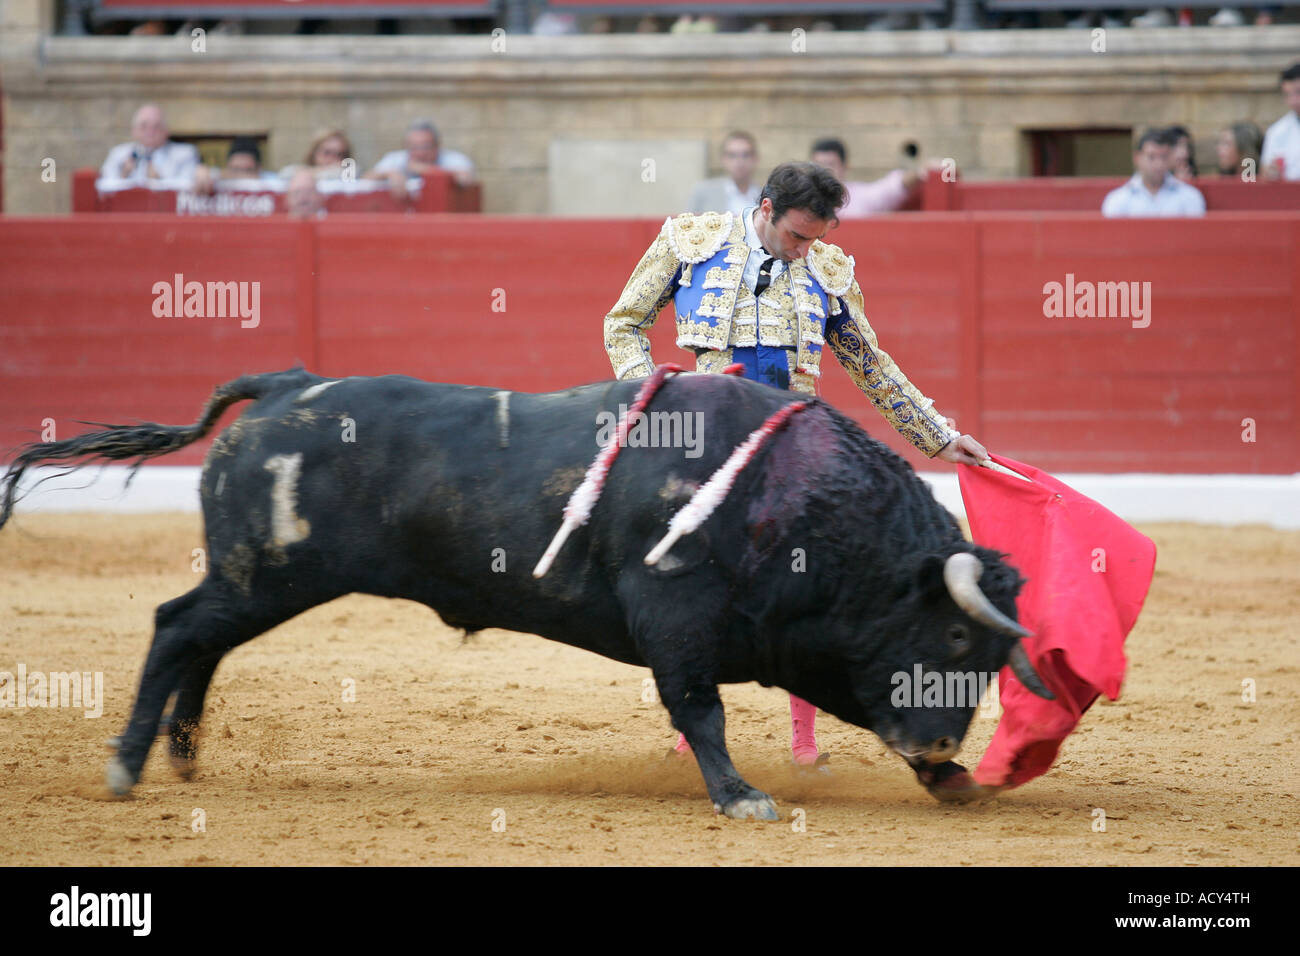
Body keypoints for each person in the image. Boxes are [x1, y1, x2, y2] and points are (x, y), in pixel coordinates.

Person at [603, 161, 989, 767]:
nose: (807, 249)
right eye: (799, 236)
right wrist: (653, 394)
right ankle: (690, 729)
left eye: (818, 238)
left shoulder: (828, 269)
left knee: (803, 582)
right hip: (707, 436)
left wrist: (938, 436)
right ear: (765, 209)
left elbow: (870, 363)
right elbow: (623, 324)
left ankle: (805, 741)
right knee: (695, 579)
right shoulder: (690, 241)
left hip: (790, 445)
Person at [808, 137, 929, 217]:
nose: (823, 172)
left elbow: (893, 186)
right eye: (817, 166)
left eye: (830, 165)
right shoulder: (803, 201)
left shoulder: (861, 197)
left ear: (845, 166)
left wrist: (922, 170)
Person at [1101, 128, 1206, 217]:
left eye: (1163, 157)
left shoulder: (1190, 196)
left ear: (1170, 157)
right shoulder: (1118, 200)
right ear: (1137, 158)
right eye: (1151, 157)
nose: (1158, 164)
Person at [364, 119, 476, 201]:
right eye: (414, 147)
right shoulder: (396, 159)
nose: (420, 153)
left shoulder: (454, 159)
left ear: (437, 145)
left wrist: (427, 170)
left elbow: (466, 179)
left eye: (426, 147)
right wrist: (389, 174)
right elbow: (365, 179)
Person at [99, 103, 199, 184]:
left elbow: (188, 187)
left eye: (157, 127)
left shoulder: (185, 154)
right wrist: (123, 175)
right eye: (144, 126)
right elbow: (103, 183)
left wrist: (160, 182)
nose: (150, 132)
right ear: (134, 130)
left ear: (166, 131)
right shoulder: (118, 154)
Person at [687, 131, 760, 217]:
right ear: (723, 159)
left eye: (746, 155)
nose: (739, 161)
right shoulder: (702, 193)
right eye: (732, 155)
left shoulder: (765, 196)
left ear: (755, 158)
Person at [191, 137, 278, 194]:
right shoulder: (218, 176)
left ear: (259, 168)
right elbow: (204, 175)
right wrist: (202, 171)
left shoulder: (271, 181)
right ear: (228, 166)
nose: (240, 176)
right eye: (235, 170)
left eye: (247, 170)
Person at [1262, 62, 1300, 181]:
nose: (1293, 101)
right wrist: (1271, 173)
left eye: (1298, 92)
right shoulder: (1277, 131)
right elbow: (1265, 171)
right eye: (1287, 95)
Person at [280, 128, 354, 181]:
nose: (332, 158)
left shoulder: (349, 174)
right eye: (327, 152)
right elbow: (285, 173)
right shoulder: (296, 170)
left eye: (340, 154)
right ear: (314, 152)